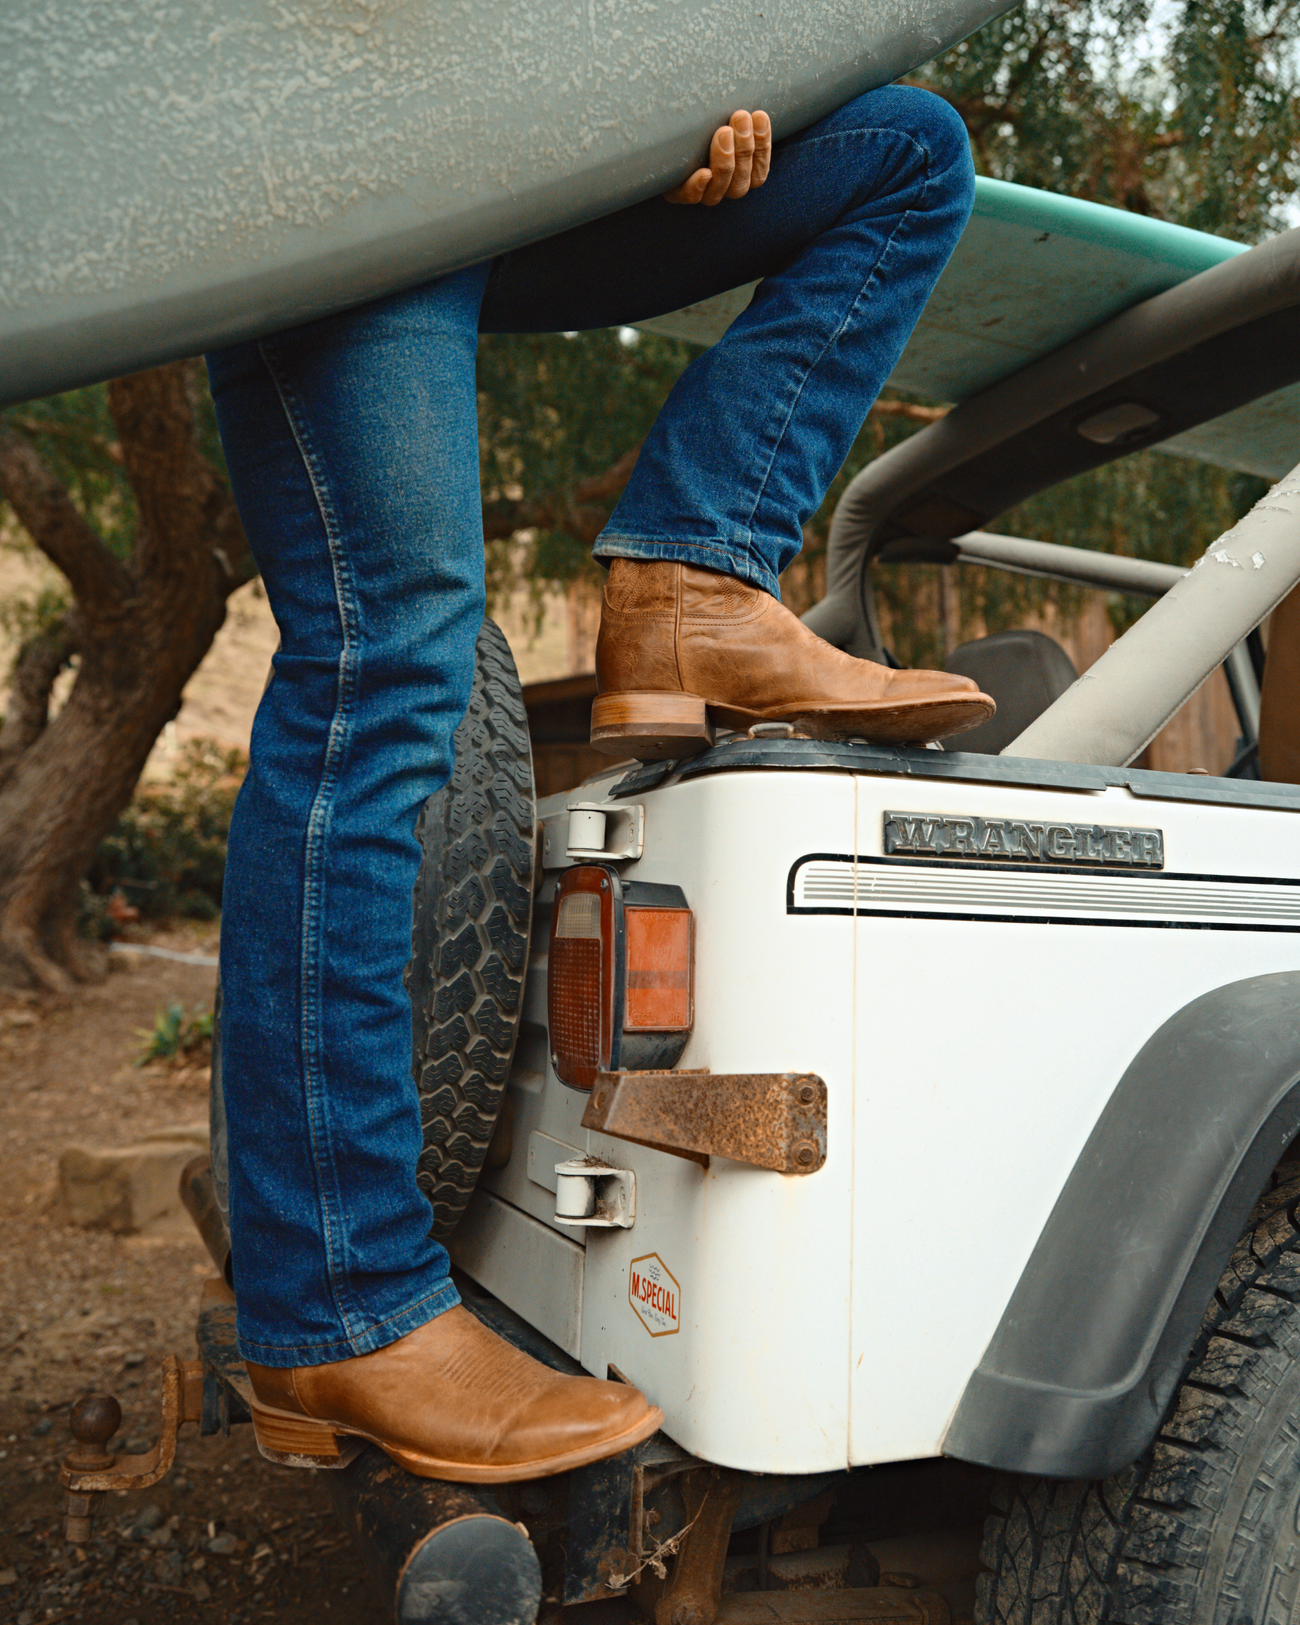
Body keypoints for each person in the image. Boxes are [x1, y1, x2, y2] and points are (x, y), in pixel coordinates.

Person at [204, 84, 989, 1484]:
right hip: (345, 161)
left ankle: (693, 571)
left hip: (516, 151)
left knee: (904, 151)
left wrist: (657, 95)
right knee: (385, 663)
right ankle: (336, 1302)